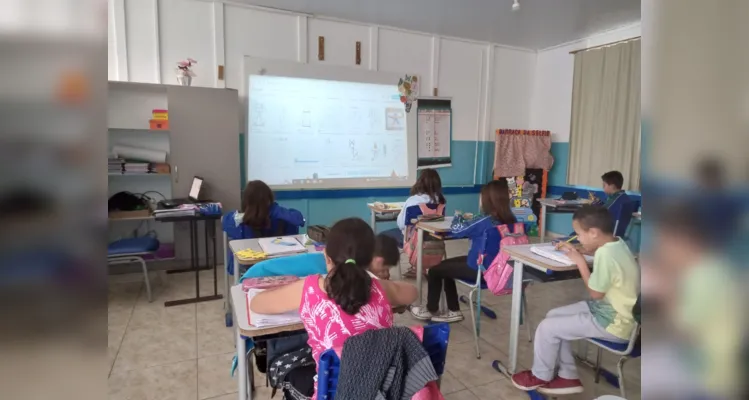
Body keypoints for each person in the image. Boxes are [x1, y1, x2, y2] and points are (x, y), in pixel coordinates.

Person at [250, 218, 418, 398]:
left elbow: (256, 304)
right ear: (370, 260)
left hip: (331, 393)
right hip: (377, 389)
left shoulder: (308, 289)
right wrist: (383, 284)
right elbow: (413, 292)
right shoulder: (382, 288)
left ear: (326, 257)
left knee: (293, 370)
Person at [511, 206, 640, 395]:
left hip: (614, 323)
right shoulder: (617, 244)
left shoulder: (606, 254)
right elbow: (607, 263)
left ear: (594, 233)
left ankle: (541, 375)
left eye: (579, 234)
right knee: (552, 316)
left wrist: (579, 261)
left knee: (548, 328)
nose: (577, 238)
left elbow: (596, 293)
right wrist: (580, 249)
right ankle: (567, 375)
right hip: (619, 314)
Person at [409, 179, 517, 323]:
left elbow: (457, 230)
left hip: (480, 270)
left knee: (435, 270)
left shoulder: (484, 221)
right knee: (446, 267)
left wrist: (458, 216)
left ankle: (431, 309)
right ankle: (453, 310)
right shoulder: (513, 222)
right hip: (501, 271)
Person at [240, 233, 401, 280]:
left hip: (260, 273)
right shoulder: (340, 271)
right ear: (377, 259)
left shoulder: (346, 261)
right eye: (385, 269)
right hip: (258, 278)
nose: (385, 275)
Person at [237, 180, 305, 236]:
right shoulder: (280, 214)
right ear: (268, 198)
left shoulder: (238, 220)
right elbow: (299, 220)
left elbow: (299, 220)